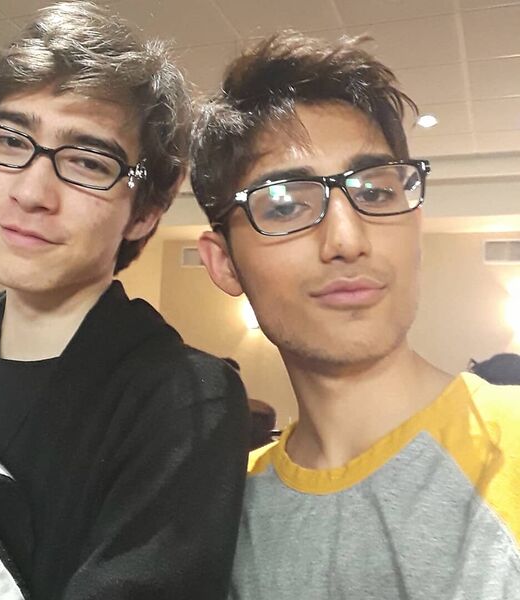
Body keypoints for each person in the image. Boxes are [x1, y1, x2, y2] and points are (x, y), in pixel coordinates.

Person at [0, 3, 249, 599]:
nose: (31, 191)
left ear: (144, 212)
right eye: (9, 140)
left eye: (88, 162)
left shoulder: (183, 405)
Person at [190, 31, 520, 599]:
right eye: (286, 205)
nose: (347, 239)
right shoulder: (218, 520)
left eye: (376, 192)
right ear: (224, 263)